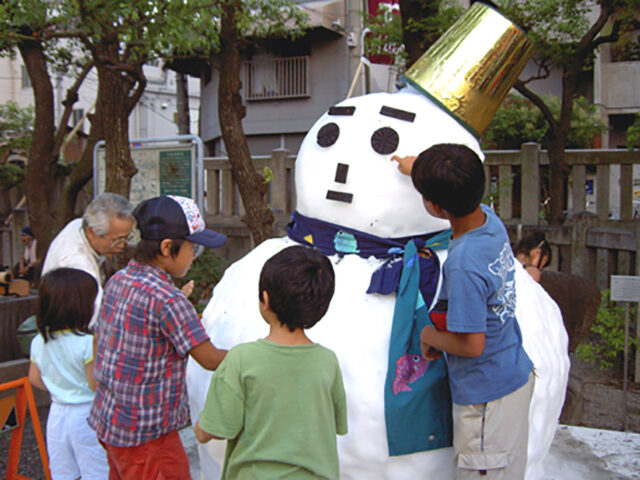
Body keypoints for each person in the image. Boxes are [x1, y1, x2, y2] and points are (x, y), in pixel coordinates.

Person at [393, 144, 534, 479]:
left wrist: (429, 335)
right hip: (512, 372)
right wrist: (417, 169)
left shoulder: (463, 264)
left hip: (487, 402)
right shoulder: (489, 219)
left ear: (436, 206)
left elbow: (472, 346)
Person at [88, 195, 228, 479]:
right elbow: (210, 359)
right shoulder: (168, 299)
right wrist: (262, 353)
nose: (193, 256)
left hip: (111, 422)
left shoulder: (118, 280)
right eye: (193, 248)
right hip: (147, 435)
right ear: (167, 247)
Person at [193, 245, 348, 480]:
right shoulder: (327, 361)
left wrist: (200, 430)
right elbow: (337, 423)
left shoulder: (241, 359)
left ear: (265, 299)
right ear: (320, 307)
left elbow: (216, 427)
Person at [28, 267, 109, 480]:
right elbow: (94, 384)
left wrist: (61, 387)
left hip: (57, 413)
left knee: (63, 470)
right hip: (88, 414)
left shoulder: (39, 341)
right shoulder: (87, 343)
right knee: (96, 470)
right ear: (81, 306)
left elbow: (34, 378)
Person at [41, 193, 135, 326]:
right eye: (116, 240)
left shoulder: (79, 225)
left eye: (126, 238)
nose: (122, 245)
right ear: (91, 232)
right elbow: (94, 321)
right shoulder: (77, 265)